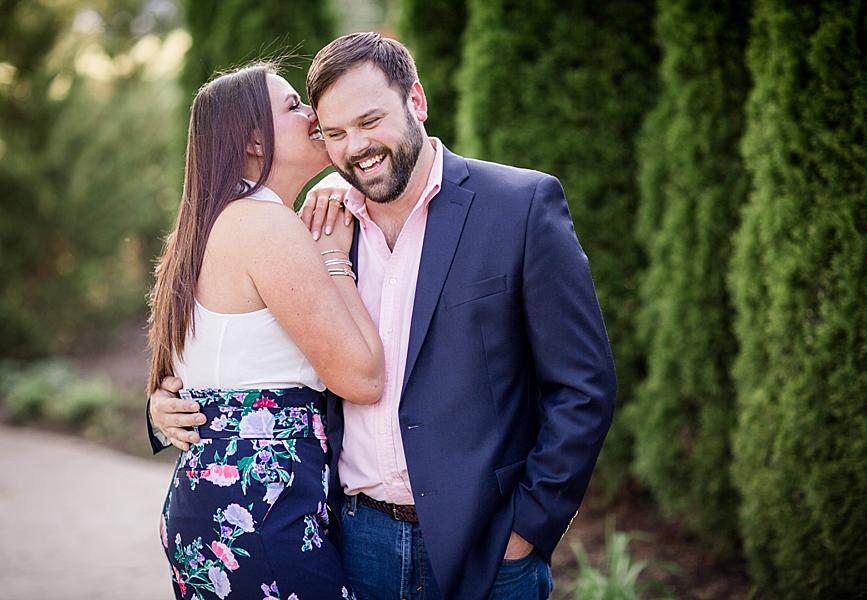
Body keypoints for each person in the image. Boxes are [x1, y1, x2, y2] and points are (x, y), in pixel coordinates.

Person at [151, 32, 616, 599]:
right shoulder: (314, 232)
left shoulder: (519, 206)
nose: (355, 146)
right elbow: (225, 338)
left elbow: (583, 386)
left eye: (370, 120)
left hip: (487, 546)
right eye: (335, 131)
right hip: (352, 539)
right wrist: (163, 403)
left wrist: (529, 528)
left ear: (416, 102)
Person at [146, 62, 383, 599]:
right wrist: (332, 258)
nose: (314, 115)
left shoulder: (216, 222)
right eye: (295, 106)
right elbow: (363, 377)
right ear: (255, 140)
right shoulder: (265, 225)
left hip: (225, 507)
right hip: (259, 512)